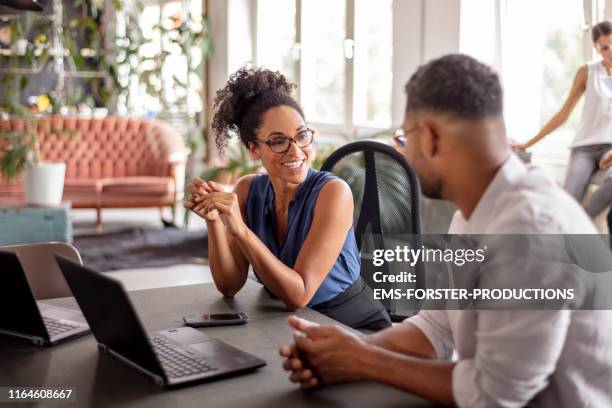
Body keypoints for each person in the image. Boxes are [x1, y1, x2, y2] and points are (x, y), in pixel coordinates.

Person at [280, 54, 612, 407]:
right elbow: (436, 328)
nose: (403, 151)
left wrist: (362, 360)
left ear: (429, 138)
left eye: (403, 139)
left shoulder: (530, 231)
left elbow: (493, 396)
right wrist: (345, 348)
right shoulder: (474, 212)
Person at [184, 67, 391, 331]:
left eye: (302, 135)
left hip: (351, 326)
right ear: (253, 149)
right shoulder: (248, 190)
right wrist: (215, 222)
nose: (296, 150)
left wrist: (240, 230)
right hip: (288, 325)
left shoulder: (333, 193)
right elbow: (229, 286)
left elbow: (299, 295)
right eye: (278, 141)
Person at [512, 21, 612, 218]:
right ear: (596, 48)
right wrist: (528, 143)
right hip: (584, 149)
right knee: (568, 200)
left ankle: (580, 223)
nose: (611, 51)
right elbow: (563, 114)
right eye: (605, 48)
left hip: (610, 149)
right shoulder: (587, 72)